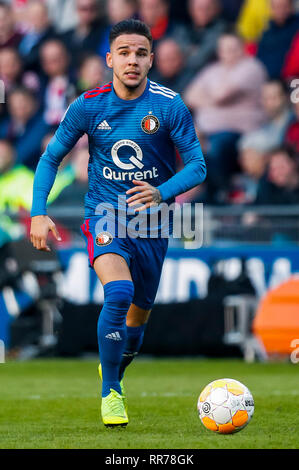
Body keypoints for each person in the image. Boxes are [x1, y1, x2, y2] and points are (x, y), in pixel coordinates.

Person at [30, 19, 206, 427]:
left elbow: (197, 166)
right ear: (110, 59)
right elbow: (50, 157)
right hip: (105, 214)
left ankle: (114, 371)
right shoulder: (89, 105)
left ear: (150, 60)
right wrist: (39, 210)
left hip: (154, 223)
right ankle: (111, 392)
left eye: (141, 53)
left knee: (137, 322)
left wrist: (161, 192)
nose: (132, 60)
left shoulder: (169, 105)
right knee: (120, 291)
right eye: (124, 52)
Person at [184, 31, 267, 202]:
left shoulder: (251, 67)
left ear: (242, 48)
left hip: (239, 133)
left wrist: (208, 97)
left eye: (233, 48)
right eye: (224, 49)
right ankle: (206, 199)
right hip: (207, 134)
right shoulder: (212, 70)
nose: (228, 53)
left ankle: (224, 195)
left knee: (214, 150)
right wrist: (213, 101)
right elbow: (189, 96)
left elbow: (222, 95)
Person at [257, 0, 299, 79]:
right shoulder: (267, 33)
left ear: (291, 7)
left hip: (288, 80)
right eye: (276, 7)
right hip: (265, 79)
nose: (280, 10)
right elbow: (259, 58)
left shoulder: (296, 29)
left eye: (284, 6)